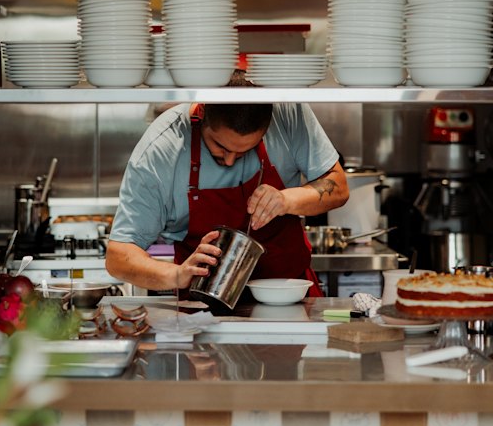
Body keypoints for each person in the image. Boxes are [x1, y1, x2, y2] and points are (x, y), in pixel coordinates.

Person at [106, 89, 349, 297]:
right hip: (203, 309)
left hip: (289, 299)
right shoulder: (161, 149)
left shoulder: (288, 112)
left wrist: (287, 199)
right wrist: (177, 274)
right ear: (201, 113)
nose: (231, 161)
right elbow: (119, 255)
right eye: (220, 147)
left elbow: (338, 186)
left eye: (246, 151)